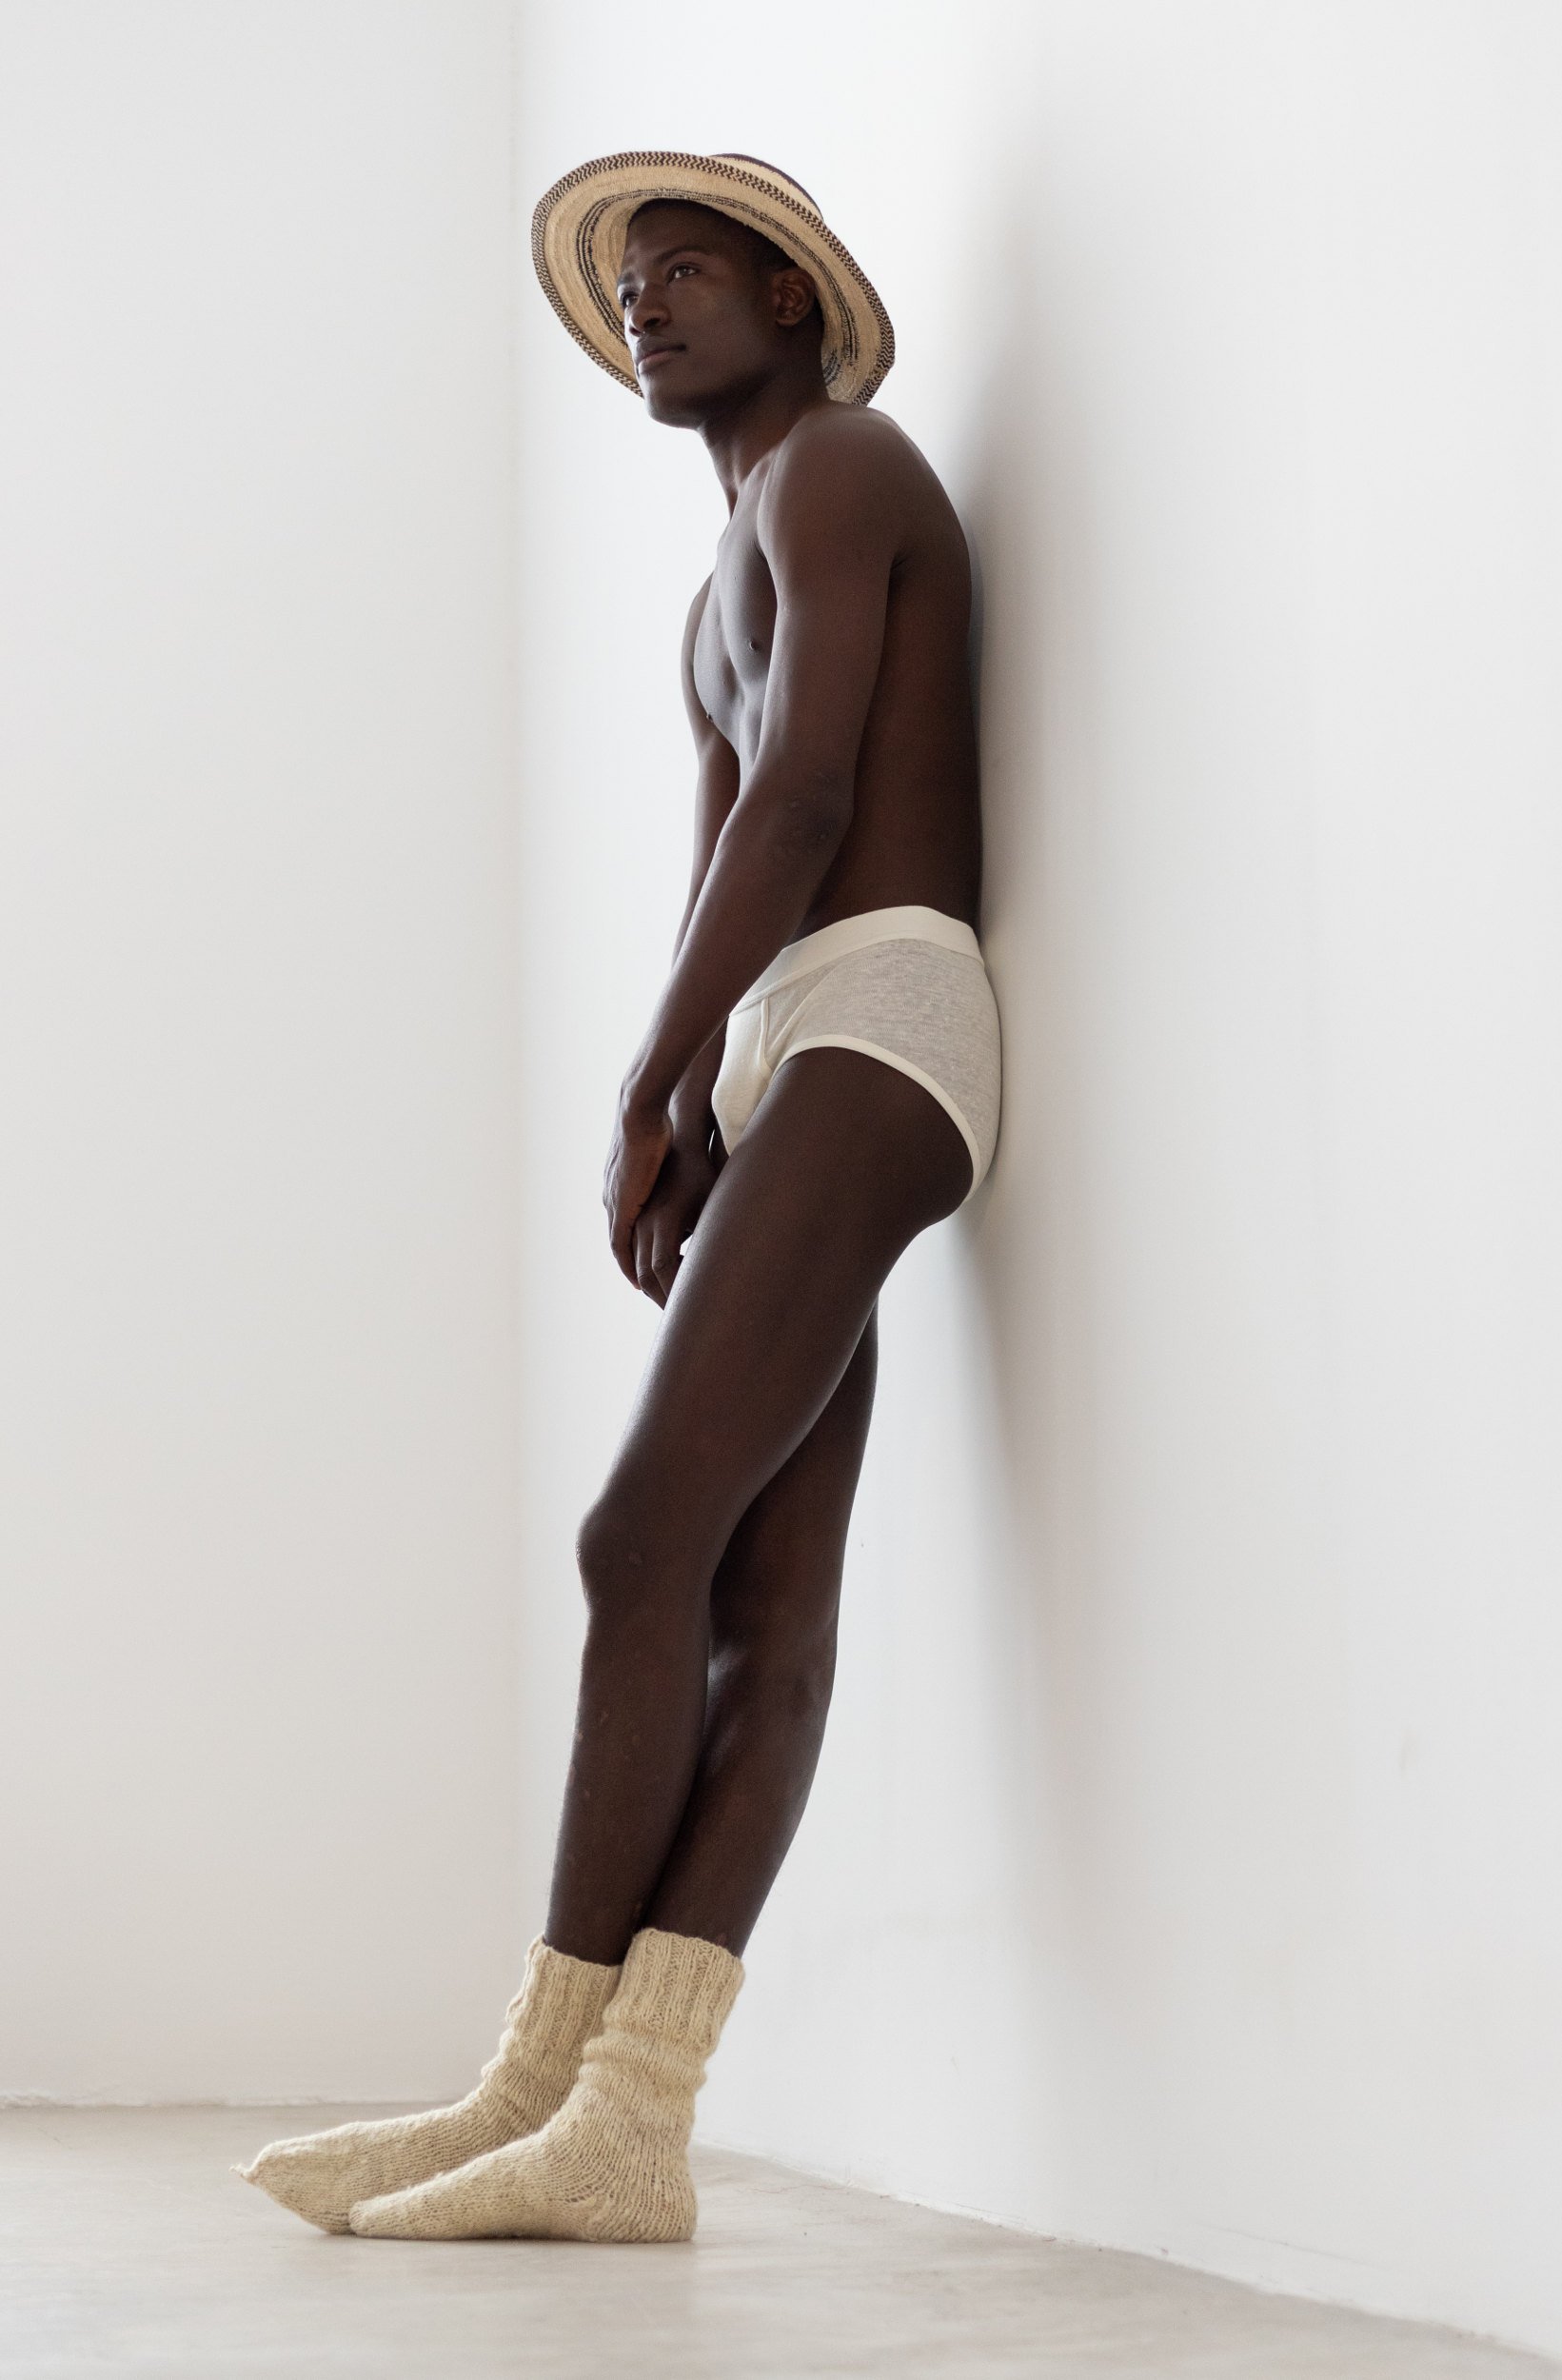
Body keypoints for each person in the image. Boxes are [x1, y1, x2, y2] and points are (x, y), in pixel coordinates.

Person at [240, 150, 1000, 2246]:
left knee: (634, 1533)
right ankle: (613, 2117)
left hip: (886, 1013)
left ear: (791, 298)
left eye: (685, 274)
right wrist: (699, 1094)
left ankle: (548, 2087)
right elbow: (716, 861)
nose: (646, 306)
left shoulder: (842, 467)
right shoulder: (711, 580)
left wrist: (645, 1084)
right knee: (759, 1605)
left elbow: (812, 800)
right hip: (786, 1046)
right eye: (631, 286)